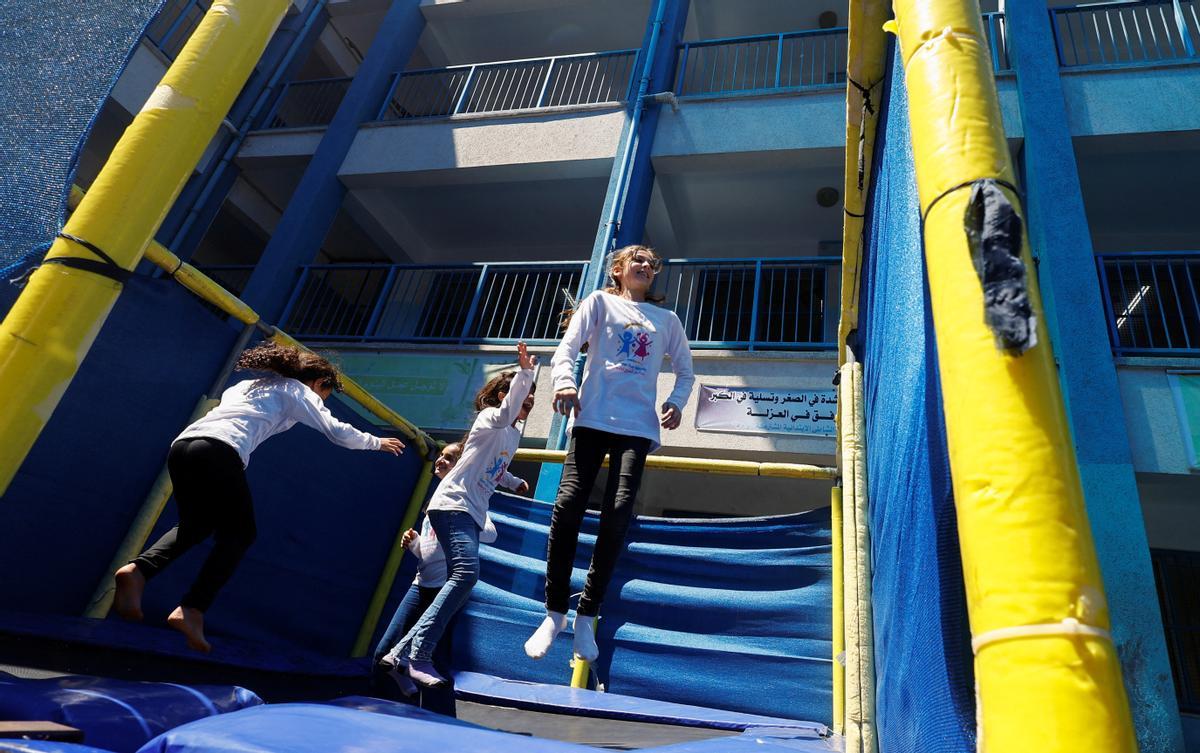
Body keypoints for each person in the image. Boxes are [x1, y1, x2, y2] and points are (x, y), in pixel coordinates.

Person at [112, 342, 404, 652]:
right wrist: (376, 442)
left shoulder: (247, 386)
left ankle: (138, 571)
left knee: (196, 525)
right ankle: (192, 609)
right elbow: (335, 430)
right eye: (325, 395)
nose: (322, 402)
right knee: (240, 534)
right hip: (220, 450)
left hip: (184, 447)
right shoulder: (298, 391)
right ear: (319, 383)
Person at [524, 244, 694, 663]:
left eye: (652, 264)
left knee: (619, 512)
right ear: (618, 269)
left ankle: (588, 614)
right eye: (637, 260)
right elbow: (567, 348)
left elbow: (686, 371)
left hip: (636, 427)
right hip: (592, 417)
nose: (645, 266)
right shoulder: (599, 303)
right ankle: (554, 611)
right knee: (567, 506)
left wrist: (676, 399)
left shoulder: (666, 320)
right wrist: (564, 383)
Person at [391, 342, 538, 687]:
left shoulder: (512, 436)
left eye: (532, 396)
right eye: (522, 393)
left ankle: (397, 652)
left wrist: (515, 482)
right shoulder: (491, 418)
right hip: (453, 503)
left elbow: (496, 469)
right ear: (502, 394)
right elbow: (505, 412)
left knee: (464, 576)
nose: (528, 400)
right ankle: (418, 653)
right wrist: (526, 372)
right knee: (467, 572)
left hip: (471, 512)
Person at [373, 440, 526, 696]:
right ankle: (379, 704)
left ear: (463, 465)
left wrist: (462, 521)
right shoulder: (435, 504)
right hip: (420, 584)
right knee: (383, 652)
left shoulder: (466, 502)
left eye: (450, 457)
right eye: (441, 456)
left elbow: (489, 533)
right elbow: (428, 552)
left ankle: (435, 717)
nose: (441, 460)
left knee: (435, 660)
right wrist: (415, 545)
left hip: (442, 590)